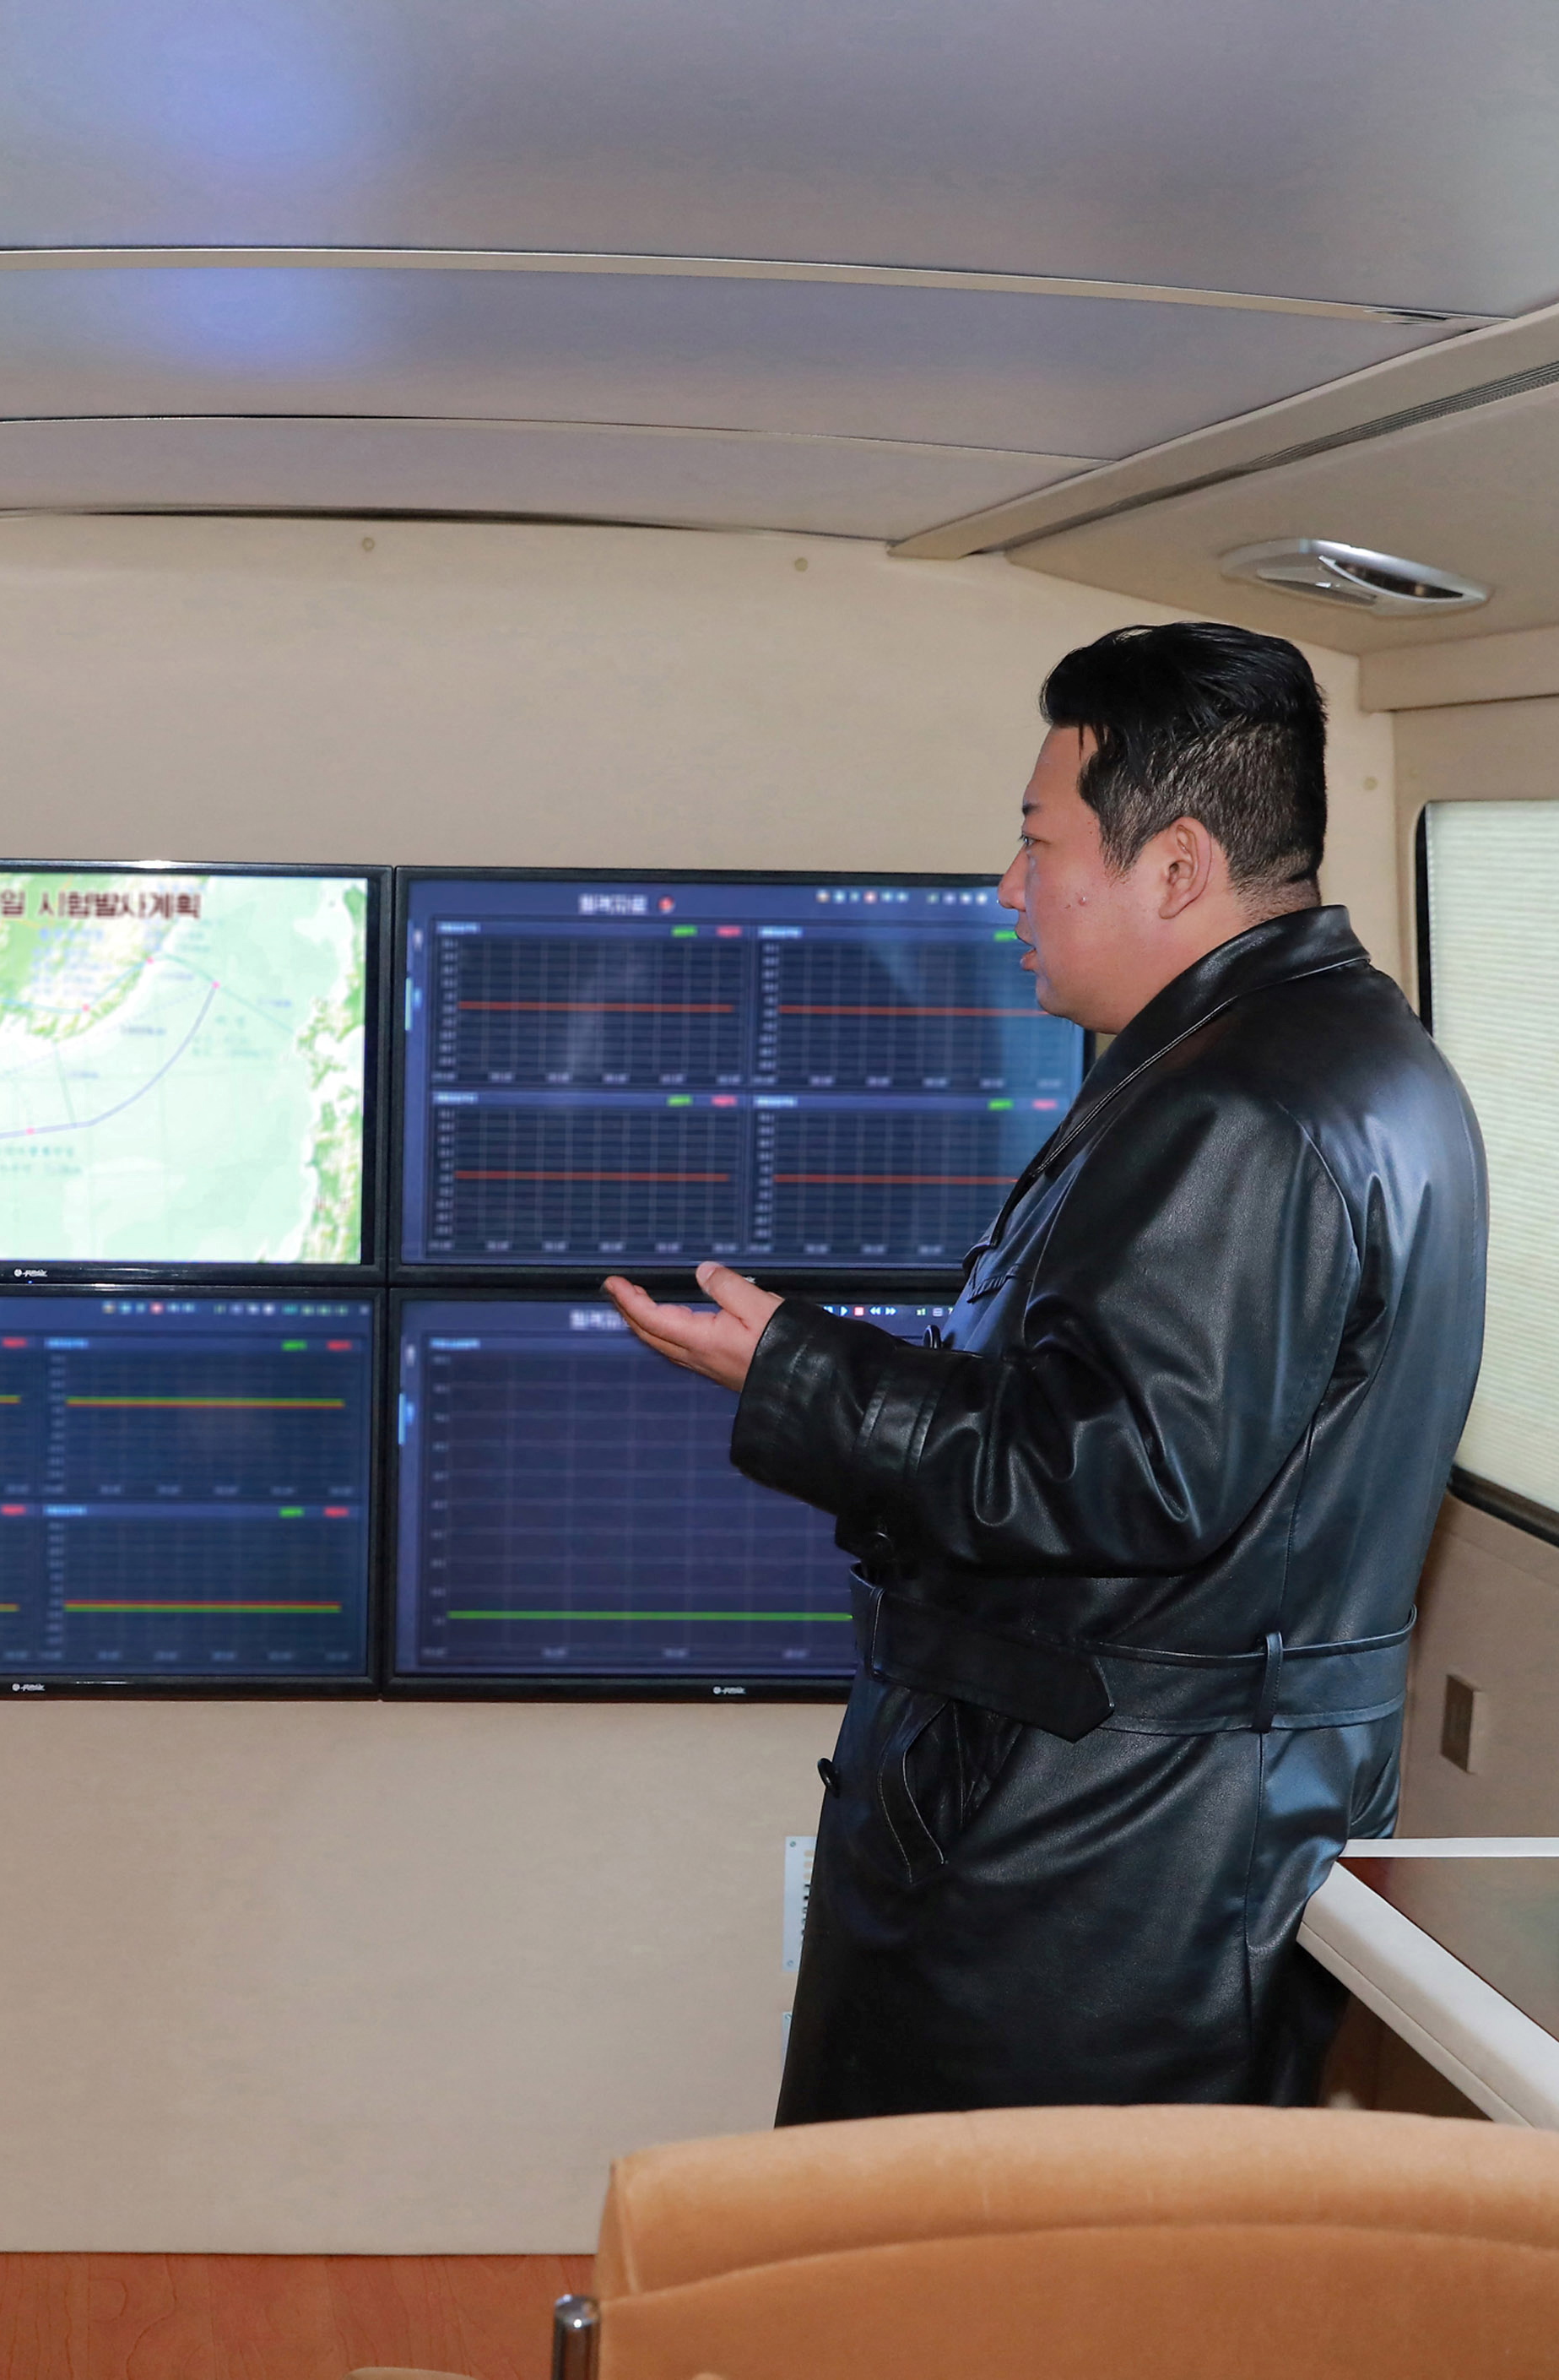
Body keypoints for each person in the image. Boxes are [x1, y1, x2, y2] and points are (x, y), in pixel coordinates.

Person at [609, 621, 1487, 2119]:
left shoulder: (1245, 1113)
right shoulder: (1314, 1056)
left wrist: (797, 1375)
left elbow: (1122, 1477)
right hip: (1139, 1835)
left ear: (1177, 866)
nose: (1010, 887)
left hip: (1104, 1870)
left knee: (993, 2253)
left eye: (1037, 842)